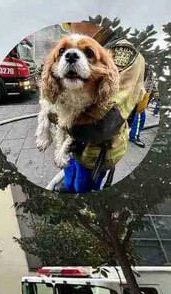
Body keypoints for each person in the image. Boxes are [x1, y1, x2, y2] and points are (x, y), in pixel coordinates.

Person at [53, 22, 148, 193]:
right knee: (69, 181)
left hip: (96, 151)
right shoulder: (86, 43)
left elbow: (103, 125)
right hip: (73, 146)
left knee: (83, 187)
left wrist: (56, 116)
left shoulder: (124, 52)